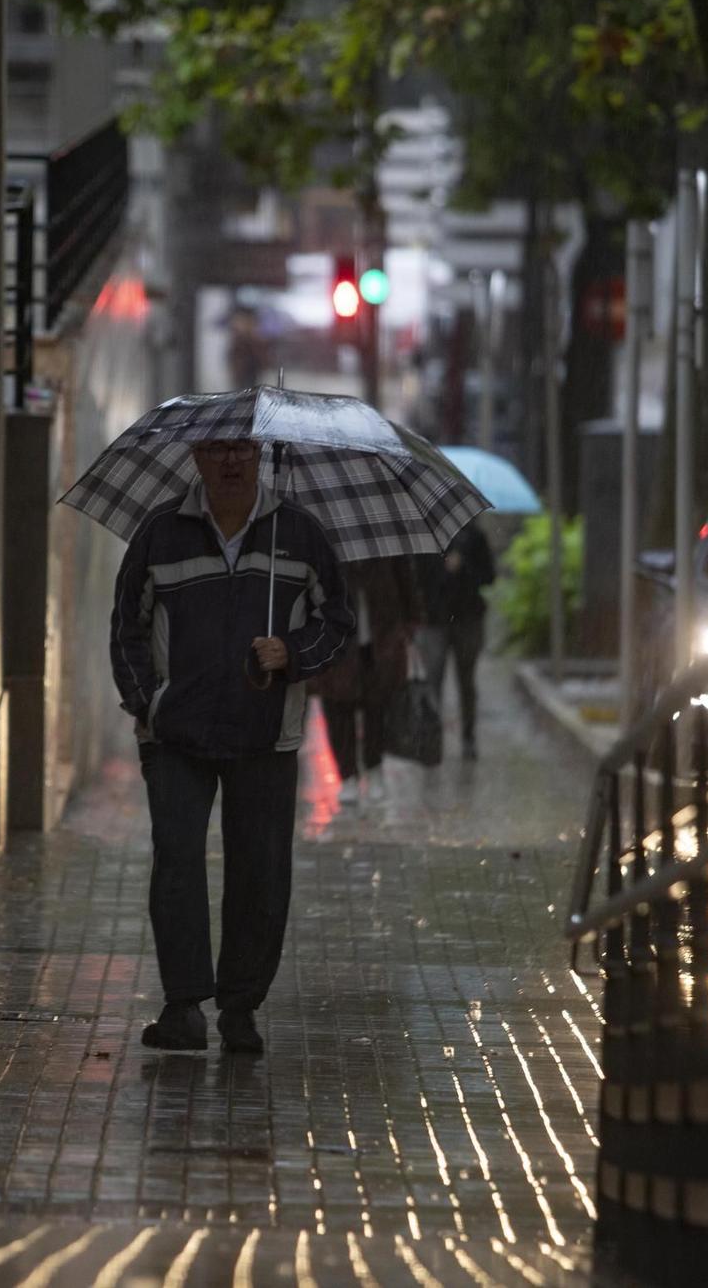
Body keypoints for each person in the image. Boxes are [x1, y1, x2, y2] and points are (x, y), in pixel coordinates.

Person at [110, 438, 354, 1053]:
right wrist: (150, 704)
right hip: (176, 736)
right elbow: (126, 628)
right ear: (196, 456)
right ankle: (183, 1006)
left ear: (260, 457)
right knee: (177, 862)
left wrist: (292, 653)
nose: (230, 462)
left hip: (265, 736)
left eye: (242, 450)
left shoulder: (298, 535)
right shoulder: (161, 534)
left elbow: (338, 623)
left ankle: (241, 1007)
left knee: (261, 873)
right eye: (217, 449)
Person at [311, 558, 423, 803]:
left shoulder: (386, 542)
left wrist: (410, 624)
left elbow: (406, 582)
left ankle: (374, 768)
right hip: (336, 644)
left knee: (377, 709)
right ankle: (348, 774)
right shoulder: (325, 542)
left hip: (380, 641)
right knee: (338, 709)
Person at [417, 519, 496, 759]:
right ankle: (431, 740)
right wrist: (442, 569)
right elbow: (418, 577)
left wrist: (464, 567)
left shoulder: (474, 536)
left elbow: (489, 576)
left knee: (466, 681)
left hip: (467, 618)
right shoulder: (426, 537)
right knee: (432, 680)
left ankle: (468, 738)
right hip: (434, 620)